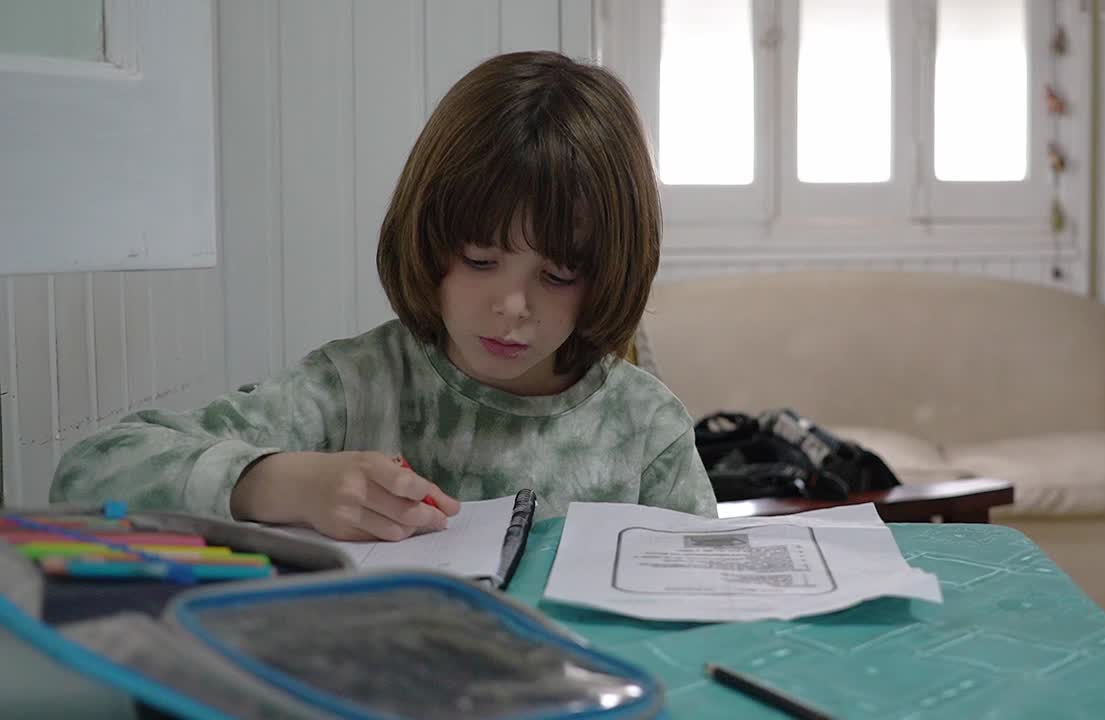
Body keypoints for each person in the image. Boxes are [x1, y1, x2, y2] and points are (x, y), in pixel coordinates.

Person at [50, 50, 717, 540]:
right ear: (428, 239)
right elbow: (87, 474)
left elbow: (711, 605)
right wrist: (277, 482)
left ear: (608, 273)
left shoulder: (644, 426)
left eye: (559, 275)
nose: (513, 307)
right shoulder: (354, 389)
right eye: (481, 259)